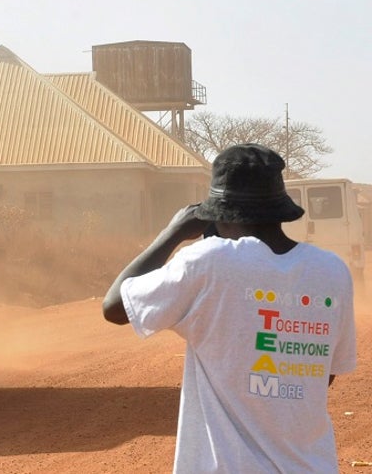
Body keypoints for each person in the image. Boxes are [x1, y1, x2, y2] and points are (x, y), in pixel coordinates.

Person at [102, 144, 357, 472]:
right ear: (279, 208)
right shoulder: (332, 270)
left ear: (216, 212)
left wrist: (173, 232)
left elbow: (114, 307)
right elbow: (323, 375)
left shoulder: (208, 262)